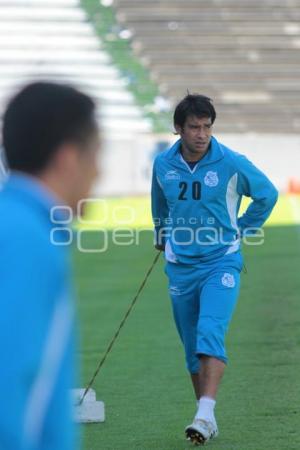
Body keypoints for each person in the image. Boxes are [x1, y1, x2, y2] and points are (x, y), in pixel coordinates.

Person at [151, 94, 278, 445]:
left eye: (207, 126)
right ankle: (205, 415)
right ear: (179, 129)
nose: (202, 134)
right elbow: (159, 203)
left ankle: (204, 415)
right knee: (192, 347)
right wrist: (161, 235)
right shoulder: (163, 163)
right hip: (179, 265)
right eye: (194, 127)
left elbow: (267, 194)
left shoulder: (232, 163)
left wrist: (242, 228)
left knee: (210, 330)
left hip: (221, 260)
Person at [0, 82, 100, 450]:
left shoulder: (17, 224)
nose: (99, 173)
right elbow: (10, 384)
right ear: (69, 158)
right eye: (96, 155)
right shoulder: (27, 241)